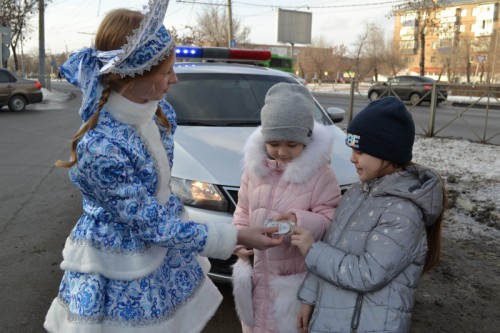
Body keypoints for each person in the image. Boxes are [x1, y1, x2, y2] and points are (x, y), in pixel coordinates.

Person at [43, 2, 282, 332]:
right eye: (166, 71)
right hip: (122, 263)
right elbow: (148, 222)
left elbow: (159, 196)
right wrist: (235, 234)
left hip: (163, 243)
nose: (175, 78)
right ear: (131, 78)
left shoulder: (159, 113)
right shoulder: (101, 149)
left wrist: (228, 236)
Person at [291, 96, 447, 333]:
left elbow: (367, 274)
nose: (353, 158)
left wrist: (312, 250)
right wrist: (309, 298)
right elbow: (331, 245)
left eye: (361, 152)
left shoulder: (404, 213)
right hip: (330, 320)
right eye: (353, 149)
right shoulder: (356, 193)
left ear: (387, 153)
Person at [231, 82, 342, 333]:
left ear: (306, 138)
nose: (281, 152)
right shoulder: (254, 171)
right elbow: (243, 211)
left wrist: (297, 220)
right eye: (274, 143)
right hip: (255, 276)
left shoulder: (320, 175)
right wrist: (241, 241)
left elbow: (330, 218)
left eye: (291, 144)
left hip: (292, 283)